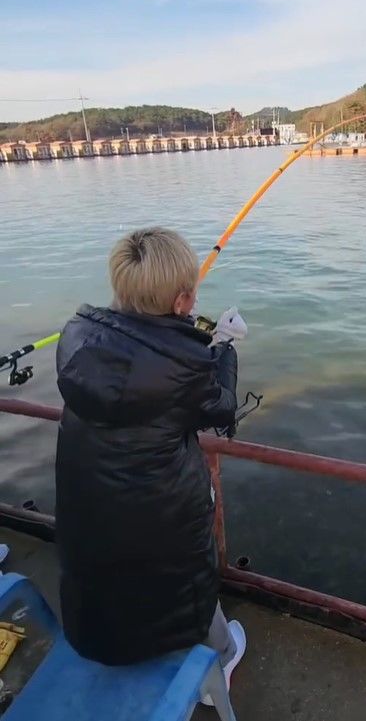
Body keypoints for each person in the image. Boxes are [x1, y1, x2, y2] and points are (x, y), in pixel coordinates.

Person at [55, 226, 246, 694]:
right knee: (184, 569)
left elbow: (142, 359)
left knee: (115, 564)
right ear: (182, 301)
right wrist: (223, 348)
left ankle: (130, 651)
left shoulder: (77, 338)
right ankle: (221, 657)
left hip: (88, 517)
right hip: (162, 516)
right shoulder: (184, 366)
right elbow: (221, 407)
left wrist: (185, 336)